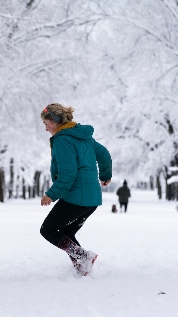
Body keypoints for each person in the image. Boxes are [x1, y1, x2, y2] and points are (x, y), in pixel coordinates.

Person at [39, 103, 112, 276]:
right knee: (66, 232)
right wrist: (105, 175)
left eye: (46, 123)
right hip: (92, 198)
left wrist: (51, 194)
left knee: (48, 230)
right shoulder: (85, 138)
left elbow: (68, 174)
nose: (46, 128)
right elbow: (105, 155)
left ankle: (84, 257)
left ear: (55, 121)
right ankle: (83, 267)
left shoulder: (63, 140)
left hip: (76, 197)